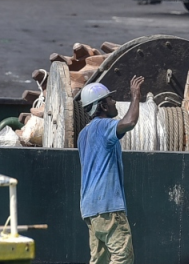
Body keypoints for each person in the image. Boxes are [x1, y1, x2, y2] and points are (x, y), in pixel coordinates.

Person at [77, 76, 145, 264]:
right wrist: (136, 96)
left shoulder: (83, 134)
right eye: (110, 99)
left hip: (90, 209)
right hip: (107, 206)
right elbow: (130, 122)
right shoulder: (104, 127)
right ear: (103, 106)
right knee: (122, 256)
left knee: (99, 260)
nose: (114, 102)